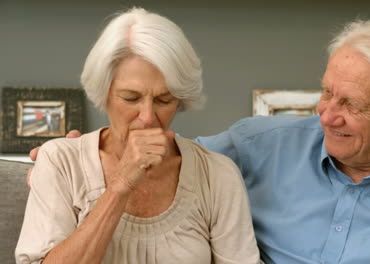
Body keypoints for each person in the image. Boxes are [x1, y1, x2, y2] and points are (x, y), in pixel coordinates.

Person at [28, 19, 370, 263]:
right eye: (326, 92)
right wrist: (67, 157)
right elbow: (162, 154)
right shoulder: (256, 145)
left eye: (352, 105)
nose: (327, 115)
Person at [16, 8, 260, 264]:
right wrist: (119, 187)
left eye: (164, 100)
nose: (147, 117)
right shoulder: (61, 161)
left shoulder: (217, 175)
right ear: (104, 93)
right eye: (130, 98)